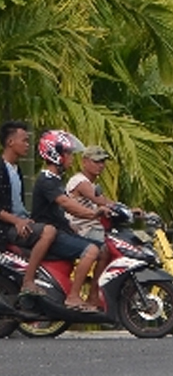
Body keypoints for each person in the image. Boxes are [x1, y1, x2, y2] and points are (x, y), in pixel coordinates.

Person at [29, 130, 104, 311]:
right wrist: (93, 214)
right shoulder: (46, 180)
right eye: (68, 153)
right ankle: (73, 297)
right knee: (92, 250)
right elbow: (66, 204)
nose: (71, 157)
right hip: (50, 234)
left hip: (61, 230)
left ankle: (94, 297)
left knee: (104, 250)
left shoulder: (56, 179)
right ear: (56, 154)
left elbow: (66, 209)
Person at [1, 121, 60, 301]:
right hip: (6, 228)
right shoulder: (1, 169)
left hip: (18, 223)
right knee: (49, 232)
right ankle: (28, 281)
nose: (28, 145)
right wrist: (17, 221)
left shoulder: (16, 169)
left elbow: (16, 203)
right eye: (24, 140)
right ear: (10, 142)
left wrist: (26, 218)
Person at [65, 145, 139, 242]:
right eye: (96, 161)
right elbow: (101, 201)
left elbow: (105, 204)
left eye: (102, 161)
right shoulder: (80, 182)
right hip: (82, 229)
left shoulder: (91, 184)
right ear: (84, 162)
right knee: (108, 246)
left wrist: (130, 212)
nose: (101, 165)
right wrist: (127, 210)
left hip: (94, 227)